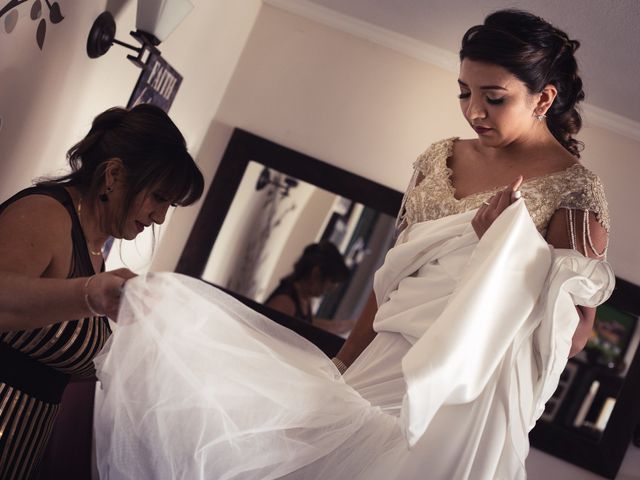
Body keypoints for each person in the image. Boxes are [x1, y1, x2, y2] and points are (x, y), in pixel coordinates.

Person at [93, 9, 613, 480]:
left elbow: (573, 330)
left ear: (543, 98)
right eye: (464, 92)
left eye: (493, 98)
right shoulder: (440, 157)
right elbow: (393, 271)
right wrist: (345, 363)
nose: (473, 111)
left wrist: (499, 256)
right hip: (381, 358)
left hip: (463, 386)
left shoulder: (574, 188)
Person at [0, 103, 204, 480]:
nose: (160, 217)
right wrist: (88, 294)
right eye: (158, 197)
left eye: (168, 205)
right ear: (112, 175)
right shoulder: (46, 215)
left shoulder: (95, 250)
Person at [264, 241, 353, 334]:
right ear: (315, 273)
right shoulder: (285, 302)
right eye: (331, 282)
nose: (329, 290)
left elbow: (310, 324)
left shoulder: (304, 299)